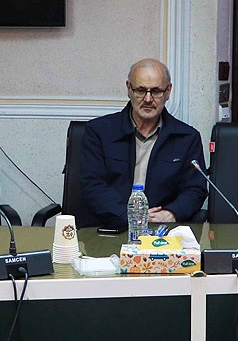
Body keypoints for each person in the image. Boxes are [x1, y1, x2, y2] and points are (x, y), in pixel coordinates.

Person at [78, 58, 207, 229]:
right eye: (140, 90)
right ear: (129, 89)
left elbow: (195, 189)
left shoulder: (187, 137)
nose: (147, 99)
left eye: (156, 91)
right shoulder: (99, 132)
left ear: (168, 91)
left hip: (161, 230)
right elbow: (93, 186)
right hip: (108, 226)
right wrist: (132, 217)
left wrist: (172, 213)